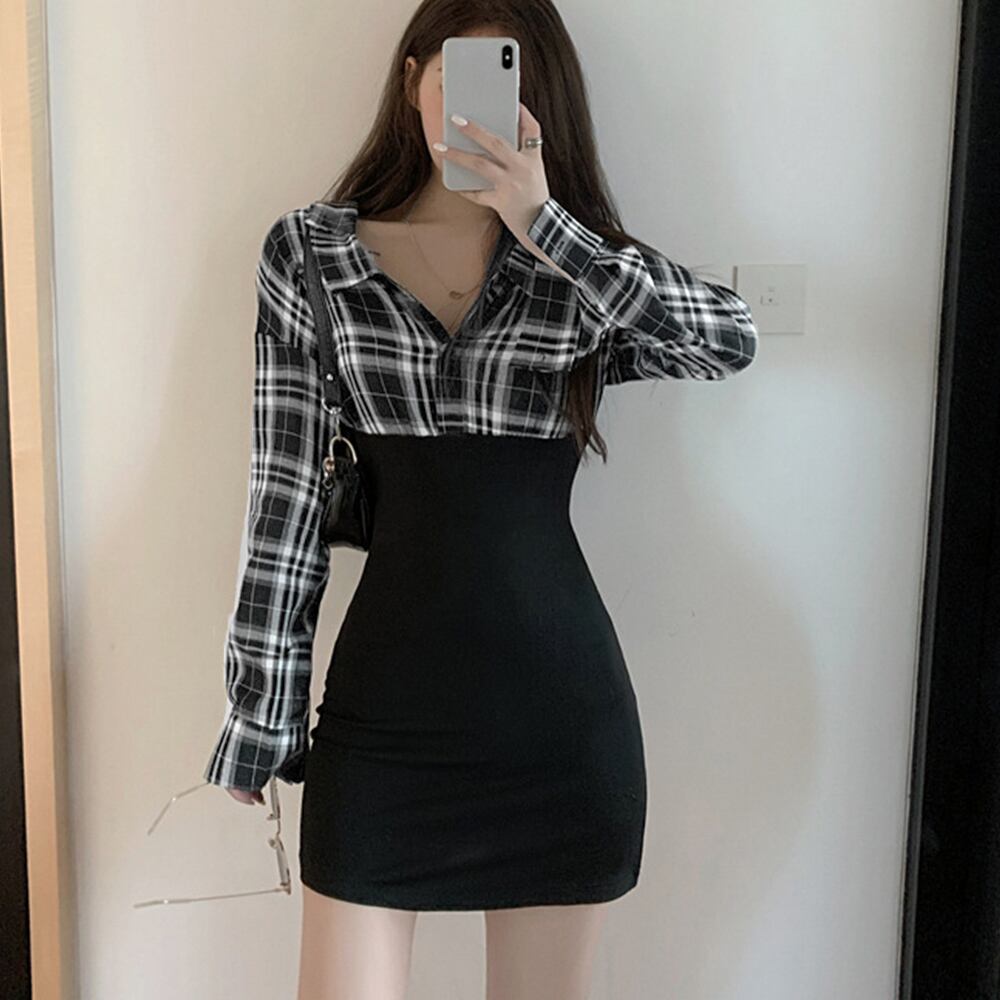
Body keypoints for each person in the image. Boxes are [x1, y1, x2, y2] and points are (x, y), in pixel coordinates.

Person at [203, 1, 758, 997]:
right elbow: (283, 501)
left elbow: (726, 339)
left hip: (560, 730)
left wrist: (546, 226)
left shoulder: (576, 272)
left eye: (510, 86)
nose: (477, 111)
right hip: (381, 728)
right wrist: (262, 712)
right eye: (455, 79)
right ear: (411, 76)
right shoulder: (312, 257)